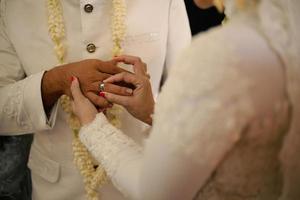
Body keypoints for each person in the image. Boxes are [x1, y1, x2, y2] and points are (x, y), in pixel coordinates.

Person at [70, 0, 300, 199]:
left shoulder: (222, 53)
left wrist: (93, 128)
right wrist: (151, 110)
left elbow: (155, 192)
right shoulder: (286, 36)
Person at [0, 0, 191, 199]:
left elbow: (192, 103)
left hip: (146, 183)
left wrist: (152, 111)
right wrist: (53, 82)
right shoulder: (13, 5)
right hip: (56, 190)